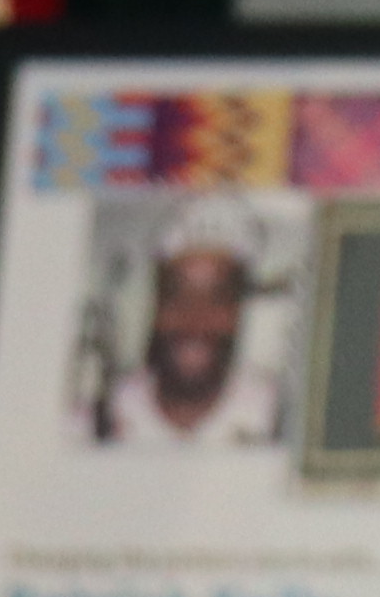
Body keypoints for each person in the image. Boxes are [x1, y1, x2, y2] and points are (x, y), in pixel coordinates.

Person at [90, 191, 290, 448]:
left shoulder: (280, 421)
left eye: (217, 296)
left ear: (239, 311)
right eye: (178, 294)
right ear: (156, 302)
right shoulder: (96, 421)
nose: (196, 318)